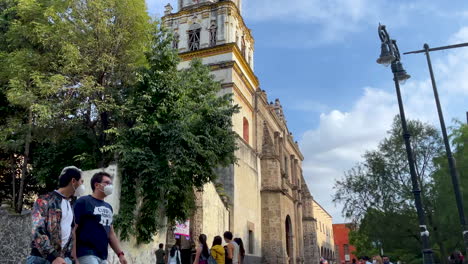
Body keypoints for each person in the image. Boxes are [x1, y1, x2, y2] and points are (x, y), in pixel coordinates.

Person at [27, 166, 84, 264]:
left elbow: (70, 233)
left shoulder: (70, 204)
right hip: (42, 259)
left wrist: (73, 259)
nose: (82, 185)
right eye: (81, 181)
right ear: (73, 181)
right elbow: (37, 230)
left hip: (63, 259)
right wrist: (53, 256)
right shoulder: (45, 200)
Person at [73, 172, 127, 264]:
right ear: (97, 185)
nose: (110, 186)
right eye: (107, 183)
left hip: (103, 256)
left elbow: (111, 234)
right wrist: (73, 255)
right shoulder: (83, 202)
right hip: (86, 253)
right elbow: (73, 229)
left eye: (111, 183)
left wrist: (120, 254)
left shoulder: (108, 207)